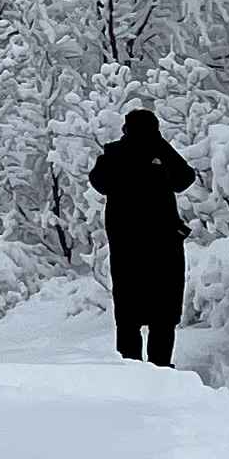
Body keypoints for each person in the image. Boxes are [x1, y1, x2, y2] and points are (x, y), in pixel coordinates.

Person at [88, 105, 194, 366]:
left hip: (128, 244)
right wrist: (160, 148)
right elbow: (185, 178)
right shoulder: (157, 153)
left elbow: (98, 182)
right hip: (162, 243)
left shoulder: (114, 154)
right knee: (163, 310)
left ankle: (131, 367)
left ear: (125, 129)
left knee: (128, 310)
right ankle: (160, 366)